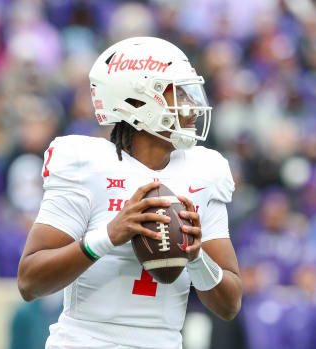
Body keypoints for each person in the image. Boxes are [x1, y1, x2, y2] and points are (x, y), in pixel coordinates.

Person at [17, 37, 242, 349]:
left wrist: (196, 257)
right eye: (177, 93)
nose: (190, 107)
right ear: (137, 101)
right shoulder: (86, 163)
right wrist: (108, 236)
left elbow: (230, 305)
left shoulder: (205, 170)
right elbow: (30, 282)